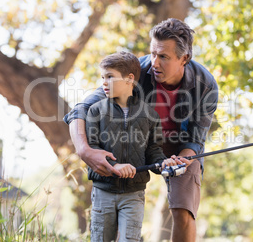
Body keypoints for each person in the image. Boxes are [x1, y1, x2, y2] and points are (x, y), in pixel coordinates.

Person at [64, 18, 218, 241]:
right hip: (134, 141)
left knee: (184, 210)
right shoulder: (135, 72)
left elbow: (195, 140)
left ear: (184, 58)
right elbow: (81, 109)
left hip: (180, 148)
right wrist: (84, 150)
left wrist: (184, 159)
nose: (154, 63)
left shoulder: (206, 85)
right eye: (153, 53)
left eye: (163, 56)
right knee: (115, 208)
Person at [85, 51, 177, 242]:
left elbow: (154, 151)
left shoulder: (150, 115)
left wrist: (164, 164)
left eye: (110, 77)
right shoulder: (95, 111)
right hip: (103, 193)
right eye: (102, 77)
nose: (103, 82)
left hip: (134, 195)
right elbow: (91, 151)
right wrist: (114, 167)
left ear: (129, 79)